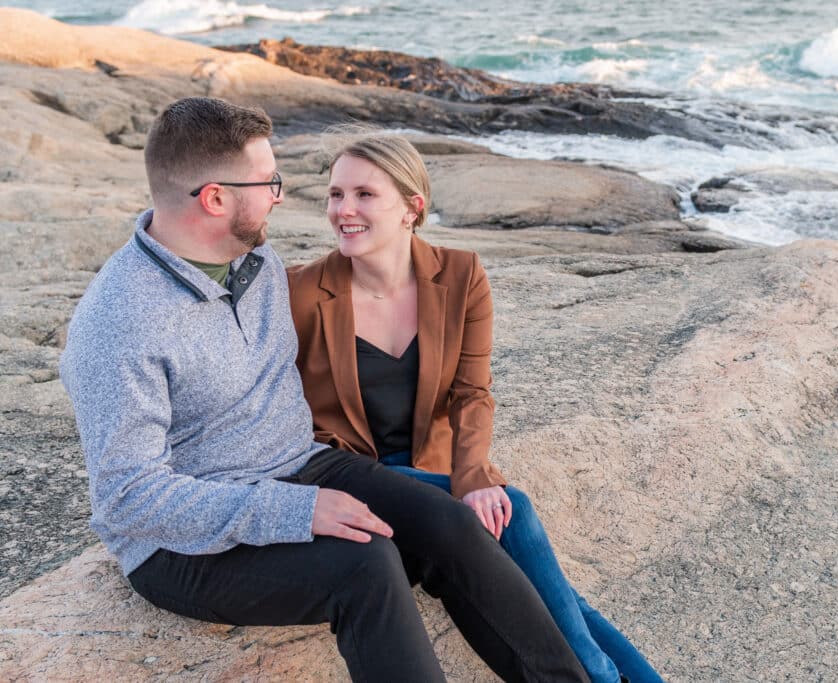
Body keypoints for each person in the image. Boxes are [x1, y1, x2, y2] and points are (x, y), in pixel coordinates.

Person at [59, 96, 589, 683]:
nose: (280, 197)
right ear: (215, 198)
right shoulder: (121, 324)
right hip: (181, 546)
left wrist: (309, 488)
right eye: (268, 182)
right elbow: (128, 498)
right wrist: (295, 511)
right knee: (365, 566)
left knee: (452, 525)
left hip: (299, 464)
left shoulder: (255, 262)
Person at [288, 131, 664, 683]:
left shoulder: (460, 276)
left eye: (365, 195)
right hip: (357, 479)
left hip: (434, 472)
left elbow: (471, 391)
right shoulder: (300, 292)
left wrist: (470, 479)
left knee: (529, 560)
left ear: (412, 208)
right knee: (521, 521)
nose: (344, 210)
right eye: (335, 194)